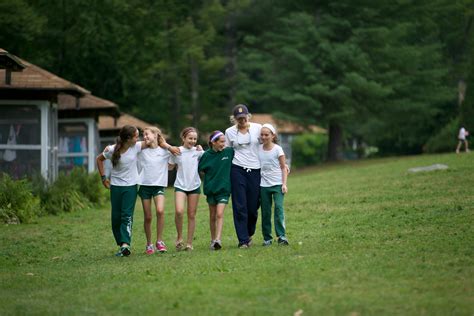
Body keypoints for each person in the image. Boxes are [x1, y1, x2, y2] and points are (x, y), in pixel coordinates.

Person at [96, 125, 177, 257]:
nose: (139, 138)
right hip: (115, 186)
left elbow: (156, 142)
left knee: (126, 215)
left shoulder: (137, 146)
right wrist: (103, 178)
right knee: (116, 217)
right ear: (128, 138)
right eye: (136, 136)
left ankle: (125, 245)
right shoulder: (112, 150)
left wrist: (166, 144)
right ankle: (121, 243)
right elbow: (99, 159)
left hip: (131, 186)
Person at [225, 104, 262, 248]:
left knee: (253, 207)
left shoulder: (258, 128)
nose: (242, 120)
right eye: (239, 118)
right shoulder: (229, 132)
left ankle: (249, 233)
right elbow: (227, 152)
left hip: (255, 169)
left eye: (244, 117)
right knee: (239, 205)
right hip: (237, 169)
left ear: (248, 116)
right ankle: (243, 240)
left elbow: (268, 143)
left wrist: (280, 163)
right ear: (234, 119)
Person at [169, 127, 204, 251]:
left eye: (195, 139)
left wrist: (202, 150)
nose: (193, 141)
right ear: (183, 138)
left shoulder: (198, 152)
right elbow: (169, 167)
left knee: (191, 215)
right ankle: (179, 238)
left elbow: (206, 161)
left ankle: (189, 243)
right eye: (190, 138)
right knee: (179, 211)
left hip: (194, 186)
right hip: (180, 186)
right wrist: (169, 152)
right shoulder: (177, 151)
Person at [138, 126, 171, 254]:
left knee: (160, 210)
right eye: (143, 135)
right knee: (148, 217)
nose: (145, 137)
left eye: (147, 134)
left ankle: (159, 241)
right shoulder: (140, 151)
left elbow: (179, 152)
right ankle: (149, 244)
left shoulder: (164, 151)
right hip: (144, 187)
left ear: (156, 135)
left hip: (159, 186)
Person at [198, 131, 234, 250]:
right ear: (213, 142)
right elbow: (200, 169)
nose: (224, 144)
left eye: (225, 141)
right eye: (221, 142)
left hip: (224, 190)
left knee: (219, 214)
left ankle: (218, 239)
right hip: (211, 190)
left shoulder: (229, 152)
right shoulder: (206, 155)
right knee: (212, 216)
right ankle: (213, 240)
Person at [259, 123, 289, 246]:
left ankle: (281, 236)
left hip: (277, 184)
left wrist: (284, 184)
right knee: (265, 212)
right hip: (263, 185)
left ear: (273, 135)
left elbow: (283, 167)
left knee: (278, 209)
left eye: (267, 134)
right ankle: (267, 238)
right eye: (262, 134)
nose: (264, 137)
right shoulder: (258, 149)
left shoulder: (278, 149)